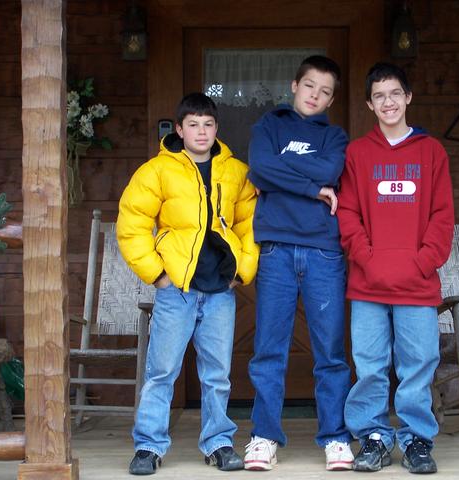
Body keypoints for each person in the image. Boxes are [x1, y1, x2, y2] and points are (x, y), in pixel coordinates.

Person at [116, 93, 259, 475]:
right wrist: (157, 275)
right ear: (179, 130)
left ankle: (219, 443)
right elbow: (131, 226)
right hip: (176, 290)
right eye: (193, 124)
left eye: (208, 124)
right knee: (161, 371)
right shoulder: (157, 171)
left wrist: (241, 272)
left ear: (216, 129)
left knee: (216, 374)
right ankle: (148, 445)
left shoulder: (235, 172)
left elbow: (250, 223)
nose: (201, 131)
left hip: (219, 292)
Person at [337, 62, 454, 474]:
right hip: (368, 284)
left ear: (408, 98)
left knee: (418, 363)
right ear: (370, 104)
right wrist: (368, 260)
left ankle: (417, 440)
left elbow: (442, 217)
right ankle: (373, 437)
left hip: (417, 284)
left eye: (395, 94)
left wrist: (422, 263)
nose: (388, 102)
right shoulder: (358, 153)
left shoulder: (431, 152)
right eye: (379, 96)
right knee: (369, 366)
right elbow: (347, 214)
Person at [243, 55, 354, 471]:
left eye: (326, 92)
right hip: (276, 250)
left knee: (330, 350)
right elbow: (259, 167)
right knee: (269, 349)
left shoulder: (335, 137)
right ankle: (264, 435)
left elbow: (328, 167)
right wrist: (312, 187)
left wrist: (284, 171)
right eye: (310, 86)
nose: (316, 96)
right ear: (295, 85)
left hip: (324, 252)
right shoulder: (268, 127)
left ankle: (335, 437)